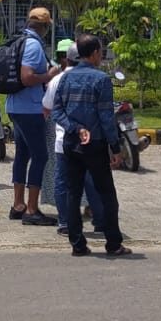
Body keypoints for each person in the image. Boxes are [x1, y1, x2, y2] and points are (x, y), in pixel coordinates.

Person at [50, 35, 131, 257]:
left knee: (73, 193)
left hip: (71, 143)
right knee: (106, 194)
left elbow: (57, 112)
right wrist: (115, 148)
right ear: (94, 52)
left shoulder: (65, 78)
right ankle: (113, 243)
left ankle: (77, 243)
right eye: (101, 51)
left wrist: (74, 128)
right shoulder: (101, 79)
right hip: (95, 144)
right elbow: (105, 117)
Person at [43, 41, 106, 236]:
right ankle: (100, 221)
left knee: (63, 182)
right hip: (92, 141)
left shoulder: (57, 80)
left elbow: (48, 109)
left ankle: (64, 222)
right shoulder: (98, 78)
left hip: (65, 141)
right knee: (92, 181)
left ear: (66, 58)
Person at [6, 7, 61, 226]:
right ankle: (31, 209)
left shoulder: (19, 40)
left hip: (15, 106)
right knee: (40, 157)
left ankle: (18, 205)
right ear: (45, 26)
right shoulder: (33, 45)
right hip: (29, 108)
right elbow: (27, 77)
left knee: (23, 154)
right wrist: (49, 74)